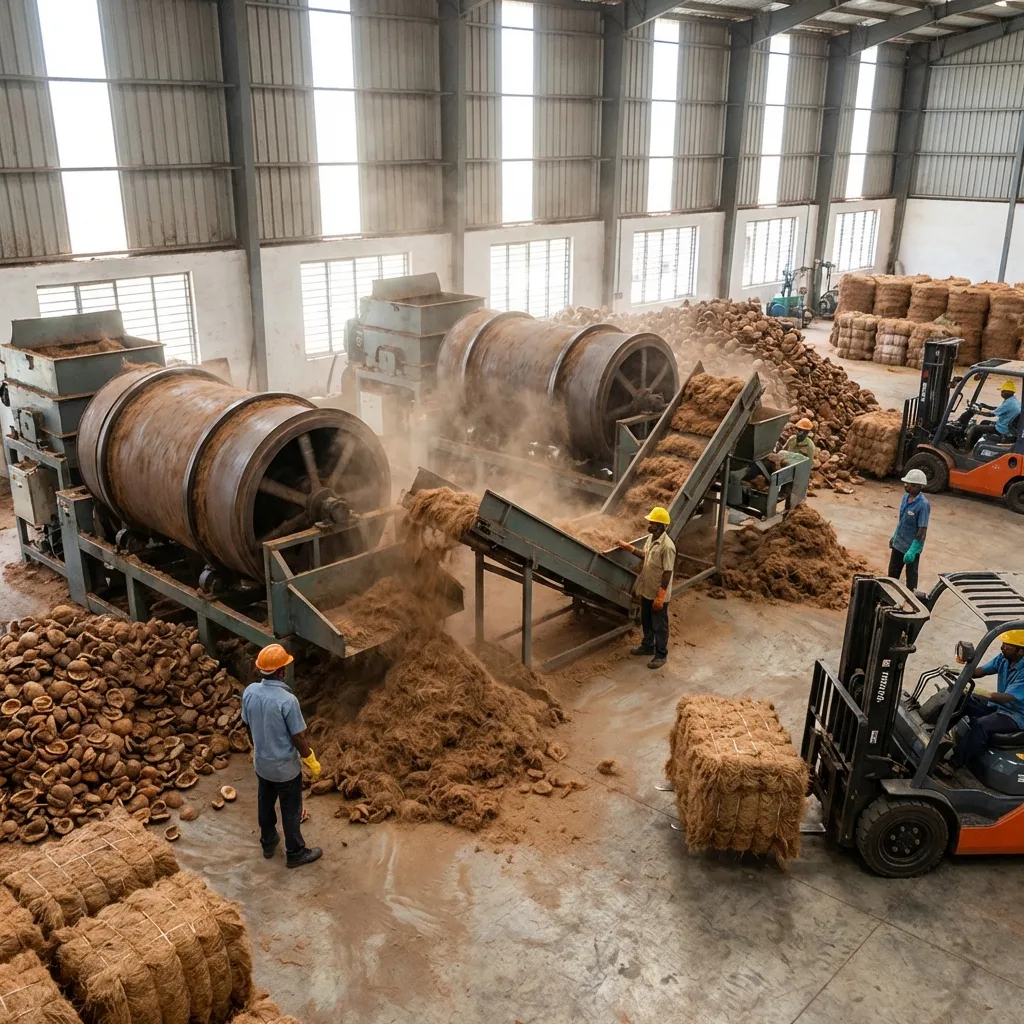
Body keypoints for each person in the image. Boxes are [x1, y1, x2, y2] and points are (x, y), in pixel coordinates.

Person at [241, 643, 323, 868]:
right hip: (285, 769)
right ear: (280, 672)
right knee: (291, 809)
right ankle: (295, 852)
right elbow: (297, 737)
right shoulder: (287, 700)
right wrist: (310, 759)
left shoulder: (250, 692)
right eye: (284, 667)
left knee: (265, 803)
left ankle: (268, 842)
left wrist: (257, 746)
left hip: (262, 764)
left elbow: (247, 724)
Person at [952, 630, 1024, 768]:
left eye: (1007, 646)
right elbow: (981, 671)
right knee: (962, 701)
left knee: (982, 725)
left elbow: (1005, 698)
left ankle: (956, 763)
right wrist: (964, 672)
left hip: (1016, 716)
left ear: (1020, 651)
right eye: (1003, 644)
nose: (1002, 647)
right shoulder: (1004, 658)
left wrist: (980, 692)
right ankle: (935, 740)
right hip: (998, 707)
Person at [616, 506, 676, 670]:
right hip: (646, 589)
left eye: (653, 523)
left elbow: (667, 572)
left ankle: (661, 655)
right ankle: (648, 646)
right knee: (646, 621)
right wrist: (628, 548)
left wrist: (660, 596)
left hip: (658, 592)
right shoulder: (651, 538)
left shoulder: (668, 546)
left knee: (659, 625)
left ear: (661, 525)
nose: (649, 524)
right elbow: (645, 555)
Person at [887, 468, 930, 592]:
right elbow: (902, 519)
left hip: (911, 546)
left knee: (911, 577)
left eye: (910, 484)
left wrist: (913, 549)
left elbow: (922, 529)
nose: (906, 486)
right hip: (899, 543)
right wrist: (895, 535)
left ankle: (911, 599)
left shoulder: (923, 505)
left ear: (918, 486)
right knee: (893, 573)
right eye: (906, 483)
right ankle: (890, 595)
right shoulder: (905, 497)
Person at [966, 380, 1020, 447]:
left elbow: (991, 414)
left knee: (975, 428)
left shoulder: (1009, 403)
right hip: (1008, 426)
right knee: (984, 422)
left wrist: (976, 412)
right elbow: (999, 409)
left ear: (1007, 392)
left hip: (1002, 429)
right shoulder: (1013, 400)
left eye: (1002, 392)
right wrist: (986, 406)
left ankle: (969, 448)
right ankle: (978, 442)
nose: (1001, 393)